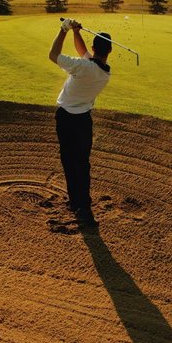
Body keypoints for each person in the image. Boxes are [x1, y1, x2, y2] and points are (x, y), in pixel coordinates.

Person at [47, 18, 112, 227]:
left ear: (94, 48)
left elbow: (53, 55)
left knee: (69, 160)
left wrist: (64, 29)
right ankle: (83, 205)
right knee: (82, 163)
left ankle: (76, 202)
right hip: (84, 120)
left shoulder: (83, 67)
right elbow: (83, 52)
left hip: (66, 118)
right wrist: (77, 32)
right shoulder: (104, 72)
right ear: (109, 51)